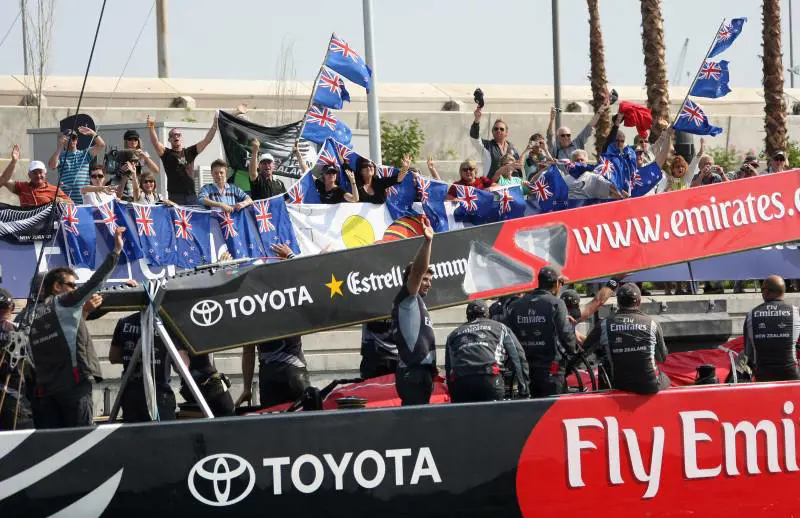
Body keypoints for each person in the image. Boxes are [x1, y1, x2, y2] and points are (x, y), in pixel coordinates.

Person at [29, 227, 124, 428]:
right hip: (73, 385)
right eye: (72, 285)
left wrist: (85, 312)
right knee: (80, 440)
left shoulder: (27, 315)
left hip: (45, 392)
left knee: (53, 445)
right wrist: (115, 252)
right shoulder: (63, 303)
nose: (75, 289)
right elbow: (95, 282)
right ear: (56, 287)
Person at [236, 243, 310, 409]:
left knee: (274, 430)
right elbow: (310, 276)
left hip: (269, 375)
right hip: (294, 370)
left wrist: (247, 388)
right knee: (305, 424)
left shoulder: (251, 309)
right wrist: (291, 256)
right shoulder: (290, 297)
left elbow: (248, 352)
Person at [582, 283, 670, 394]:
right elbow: (662, 358)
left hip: (618, 386)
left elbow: (583, 352)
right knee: (666, 379)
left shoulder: (604, 324)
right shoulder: (652, 323)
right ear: (639, 301)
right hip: (649, 386)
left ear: (618, 302)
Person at [505, 265, 577, 397]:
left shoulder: (515, 306)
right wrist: (575, 351)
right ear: (556, 283)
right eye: (561, 283)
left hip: (524, 370)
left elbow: (508, 335)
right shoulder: (556, 303)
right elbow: (566, 335)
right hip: (550, 368)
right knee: (555, 410)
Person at [445, 300, 530, 402]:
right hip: (489, 379)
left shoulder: (453, 334)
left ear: (467, 316)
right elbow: (518, 357)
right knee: (492, 417)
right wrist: (524, 389)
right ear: (488, 314)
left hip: (462, 382)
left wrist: (453, 394)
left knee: (466, 417)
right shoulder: (501, 328)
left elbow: (449, 368)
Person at [392, 215, 436, 405]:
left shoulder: (418, 301)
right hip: (412, 372)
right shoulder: (407, 298)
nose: (428, 284)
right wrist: (428, 242)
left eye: (430, 281)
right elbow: (418, 271)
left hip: (421, 372)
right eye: (425, 280)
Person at [109, 311, 178, 422]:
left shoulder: (124, 322)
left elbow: (114, 356)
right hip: (158, 392)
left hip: (130, 392)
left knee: (135, 436)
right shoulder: (168, 324)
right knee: (164, 436)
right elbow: (179, 366)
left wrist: (136, 359)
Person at [147, 113, 218, 205]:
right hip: (175, 196)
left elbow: (206, 140)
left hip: (191, 195)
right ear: (169, 139)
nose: (176, 136)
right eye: (172, 135)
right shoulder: (166, 153)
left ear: (181, 137)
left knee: (192, 219)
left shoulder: (190, 152)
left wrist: (215, 124)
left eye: (178, 134)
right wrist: (151, 126)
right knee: (177, 219)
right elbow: (155, 142)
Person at [742, 275, 800, 381]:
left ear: (766, 292)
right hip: (791, 375)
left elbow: (748, 353)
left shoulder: (751, 315)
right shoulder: (796, 313)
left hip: (763, 377)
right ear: (783, 291)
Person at [0, 288, 34, 430]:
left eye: (4, 307)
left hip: (15, 395)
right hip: (8, 396)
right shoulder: (13, 329)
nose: (2, 312)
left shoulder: (17, 328)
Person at [47, 126, 106, 204]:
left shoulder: (84, 154)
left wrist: (93, 133)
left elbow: (101, 145)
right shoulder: (60, 156)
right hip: (68, 201)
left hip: (85, 201)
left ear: (77, 140)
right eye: (68, 138)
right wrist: (60, 147)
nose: (71, 140)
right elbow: (52, 165)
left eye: (73, 138)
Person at [0, 145, 71, 207]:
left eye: (40, 172)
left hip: (45, 222)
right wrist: (13, 162)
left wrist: (61, 200)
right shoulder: (22, 187)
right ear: (29, 175)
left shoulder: (54, 189)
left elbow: (71, 203)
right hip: (26, 221)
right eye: (34, 173)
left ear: (45, 173)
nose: (38, 175)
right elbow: (4, 179)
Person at [470, 106, 520, 178]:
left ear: (506, 133)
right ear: (492, 132)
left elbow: (517, 169)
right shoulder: (486, 146)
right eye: (496, 129)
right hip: (491, 185)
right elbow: (474, 137)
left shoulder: (512, 149)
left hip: (509, 186)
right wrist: (477, 119)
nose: (498, 130)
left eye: (501, 129)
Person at [112, 129, 160, 199]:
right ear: (126, 141)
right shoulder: (121, 154)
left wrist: (144, 157)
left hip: (138, 187)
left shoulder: (142, 154)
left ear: (138, 141)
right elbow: (112, 172)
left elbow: (156, 170)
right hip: (123, 188)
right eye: (130, 139)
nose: (133, 141)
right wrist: (122, 170)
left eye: (135, 139)